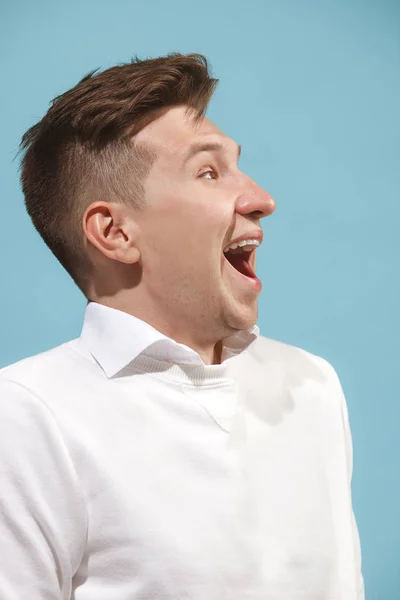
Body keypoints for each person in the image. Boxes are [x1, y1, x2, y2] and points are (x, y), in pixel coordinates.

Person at [0, 52, 364, 599]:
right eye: (209, 172)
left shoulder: (311, 384)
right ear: (115, 233)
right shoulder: (26, 415)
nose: (262, 200)